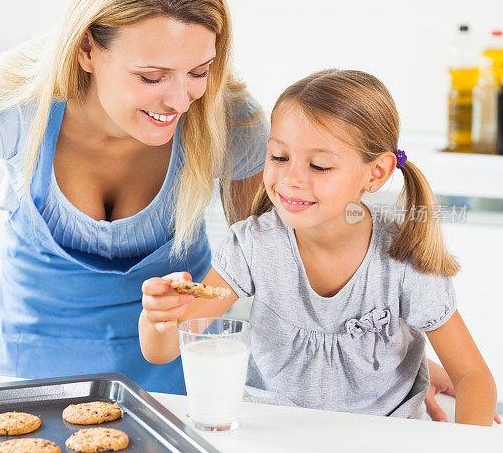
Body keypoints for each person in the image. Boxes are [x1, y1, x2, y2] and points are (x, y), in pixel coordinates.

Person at [0, 0, 268, 393]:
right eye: (151, 76)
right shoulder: (11, 104)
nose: (179, 100)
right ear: (87, 50)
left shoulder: (227, 119)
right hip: (37, 366)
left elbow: (271, 263)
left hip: (184, 370)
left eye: (198, 72)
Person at [139, 69, 498, 425]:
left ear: (375, 173)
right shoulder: (253, 245)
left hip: (387, 443)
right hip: (279, 436)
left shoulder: (405, 260)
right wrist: (158, 318)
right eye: (279, 157)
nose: (291, 179)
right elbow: (165, 350)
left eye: (320, 165)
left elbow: (472, 377)